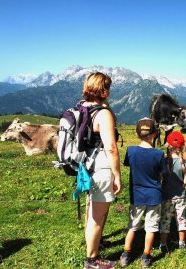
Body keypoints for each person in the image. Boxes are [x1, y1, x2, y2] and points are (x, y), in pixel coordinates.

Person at [83, 72, 122, 269]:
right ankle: (91, 260)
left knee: (91, 208)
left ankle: (94, 243)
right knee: (98, 216)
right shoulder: (103, 114)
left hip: (85, 165)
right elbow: (111, 148)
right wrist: (117, 175)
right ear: (104, 90)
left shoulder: (82, 108)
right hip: (100, 166)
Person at [120, 118, 167, 268]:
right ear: (155, 134)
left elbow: (128, 164)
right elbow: (161, 174)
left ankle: (126, 253)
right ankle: (146, 256)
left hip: (137, 195)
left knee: (133, 225)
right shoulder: (159, 154)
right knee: (151, 227)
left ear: (136, 134)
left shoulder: (131, 151)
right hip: (154, 195)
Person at [159, 131, 186, 254]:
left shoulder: (165, 162)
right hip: (181, 196)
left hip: (167, 196)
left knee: (165, 220)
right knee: (181, 219)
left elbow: (161, 178)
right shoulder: (185, 162)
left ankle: (163, 244)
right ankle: (182, 242)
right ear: (182, 147)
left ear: (168, 145)